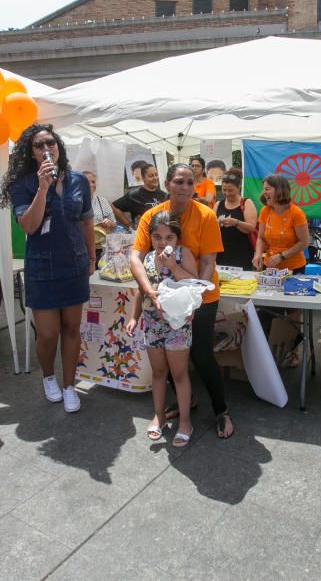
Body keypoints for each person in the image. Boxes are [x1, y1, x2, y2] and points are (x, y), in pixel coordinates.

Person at [130, 163, 234, 439]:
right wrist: (148, 292)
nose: (185, 188)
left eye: (190, 182)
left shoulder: (206, 215)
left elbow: (209, 259)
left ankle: (221, 411)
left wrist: (194, 298)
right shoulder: (152, 216)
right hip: (161, 301)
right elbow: (135, 257)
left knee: (200, 355)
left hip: (200, 297)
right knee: (166, 360)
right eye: (179, 182)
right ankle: (185, 403)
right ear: (167, 184)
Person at [1, 124, 95, 413]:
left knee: (71, 329)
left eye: (50, 143)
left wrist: (91, 258)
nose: (46, 149)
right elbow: (29, 226)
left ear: (59, 147)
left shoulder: (78, 181)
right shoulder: (24, 185)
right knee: (48, 334)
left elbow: (86, 222)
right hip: (42, 268)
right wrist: (42, 189)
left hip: (75, 265)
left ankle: (69, 385)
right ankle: (48, 377)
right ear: (30, 153)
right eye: (38, 146)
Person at [125, 212, 199, 447]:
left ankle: (185, 421)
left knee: (179, 374)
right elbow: (140, 289)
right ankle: (158, 415)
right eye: (157, 236)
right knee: (158, 373)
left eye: (169, 237)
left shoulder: (182, 254)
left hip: (178, 325)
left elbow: (194, 284)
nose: (162, 242)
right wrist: (134, 317)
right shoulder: (146, 258)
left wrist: (173, 266)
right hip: (152, 324)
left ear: (177, 239)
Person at [252, 174, 311, 356]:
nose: (264, 192)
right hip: (270, 268)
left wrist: (282, 256)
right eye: (264, 189)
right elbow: (261, 238)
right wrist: (258, 254)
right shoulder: (265, 211)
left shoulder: (296, 213)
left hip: (294, 268)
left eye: (268, 188)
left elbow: (304, 242)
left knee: (291, 313)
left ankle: (291, 350)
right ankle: (268, 351)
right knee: (267, 309)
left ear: (280, 190)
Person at [213, 169, 256, 270]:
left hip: (242, 254)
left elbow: (251, 228)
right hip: (221, 253)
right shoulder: (218, 204)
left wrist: (236, 222)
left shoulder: (246, 203)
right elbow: (212, 227)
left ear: (238, 187)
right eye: (224, 190)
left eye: (231, 190)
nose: (227, 193)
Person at [112, 163, 167, 227]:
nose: (155, 178)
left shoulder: (164, 195)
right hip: (142, 234)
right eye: (151, 176)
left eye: (156, 174)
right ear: (143, 178)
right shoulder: (134, 195)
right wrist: (128, 224)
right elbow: (114, 207)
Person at [83, 170, 117, 261]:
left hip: (101, 249)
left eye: (93, 182)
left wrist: (110, 223)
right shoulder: (75, 202)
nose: (91, 185)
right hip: (82, 249)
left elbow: (114, 226)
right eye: (87, 182)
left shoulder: (102, 201)